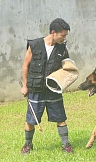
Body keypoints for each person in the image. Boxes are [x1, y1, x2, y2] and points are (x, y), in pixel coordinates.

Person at [20, 18, 73, 154]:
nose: (64, 38)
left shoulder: (62, 48)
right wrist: (25, 85)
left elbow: (66, 68)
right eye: (63, 35)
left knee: (60, 118)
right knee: (31, 120)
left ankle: (65, 145)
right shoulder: (35, 45)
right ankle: (27, 144)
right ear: (53, 32)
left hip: (53, 89)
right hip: (36, 89)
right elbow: (25, 65)